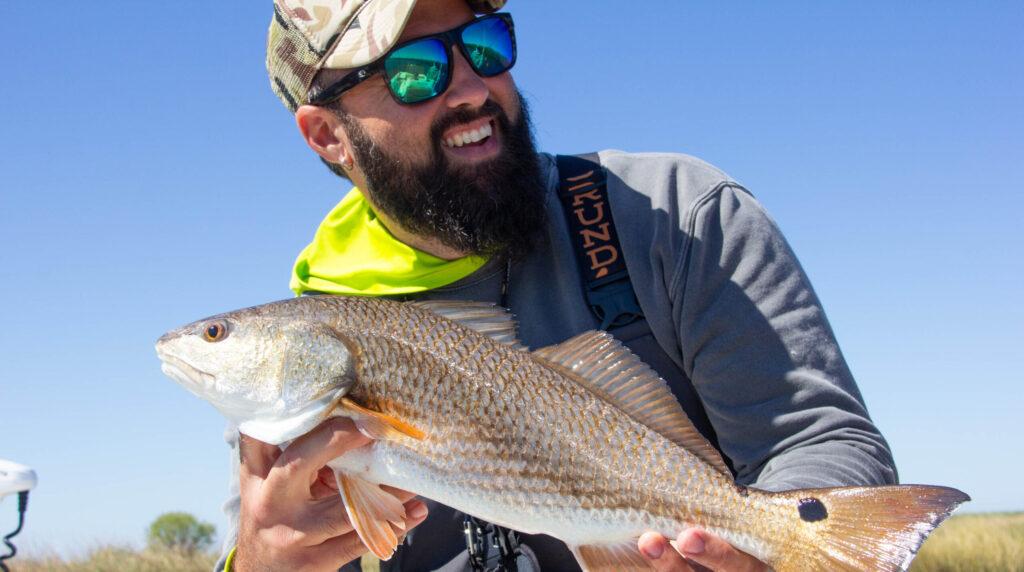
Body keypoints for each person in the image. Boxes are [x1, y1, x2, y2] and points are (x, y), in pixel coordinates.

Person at [219, 0, 898, 570]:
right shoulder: (300, 344)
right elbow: (256, 537)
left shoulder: (674, 213)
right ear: (327, 136)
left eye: (485, 45)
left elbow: (816, 439)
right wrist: (258, 561)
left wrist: (767, 555)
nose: (474, 89)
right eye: (414, 71)